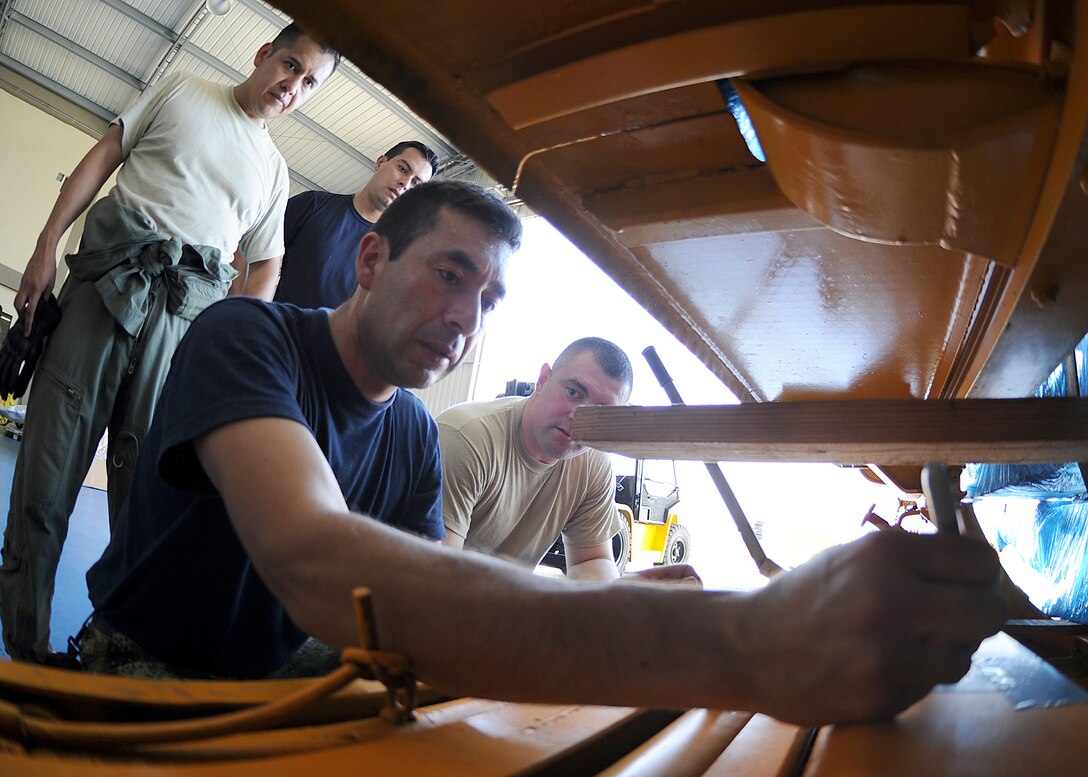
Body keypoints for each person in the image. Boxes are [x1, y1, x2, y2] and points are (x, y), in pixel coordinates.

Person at [77, 179, 1005, 726]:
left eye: (489, 299)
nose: (464, 317)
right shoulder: (250, 337)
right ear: (369, 262)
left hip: (276, 675)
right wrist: (742, 636)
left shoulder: (406, 435)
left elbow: (416, 622)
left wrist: (625, 603)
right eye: (451, 274)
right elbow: (314, 559)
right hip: (145, 672)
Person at [0, 24, 340, 663]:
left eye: (308, 84)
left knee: (145, 510)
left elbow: (266, 265)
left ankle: (108, 651)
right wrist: (46, 246)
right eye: (289, 66)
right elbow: (105, 154)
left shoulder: (273, 170)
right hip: (105, 291)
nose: (291, 87)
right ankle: (27, 647)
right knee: (46, 477)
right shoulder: (185, 89)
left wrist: (230, 340)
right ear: (263, 53)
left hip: (184, 327)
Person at [439, 338, 640, 581]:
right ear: (543, 379)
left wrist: (624, 600)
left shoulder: (593, 465)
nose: (578, 417)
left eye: (600, 411)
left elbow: (592, 560)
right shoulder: (467, 437)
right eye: (573, 392)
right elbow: (437, 572)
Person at [273, 141, 439, 309]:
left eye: (416, 184)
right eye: (402, 169)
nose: (405, 183)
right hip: (274, 330)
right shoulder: (313, 205)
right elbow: (255, 253)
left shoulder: (399, 254)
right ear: (380, 162)